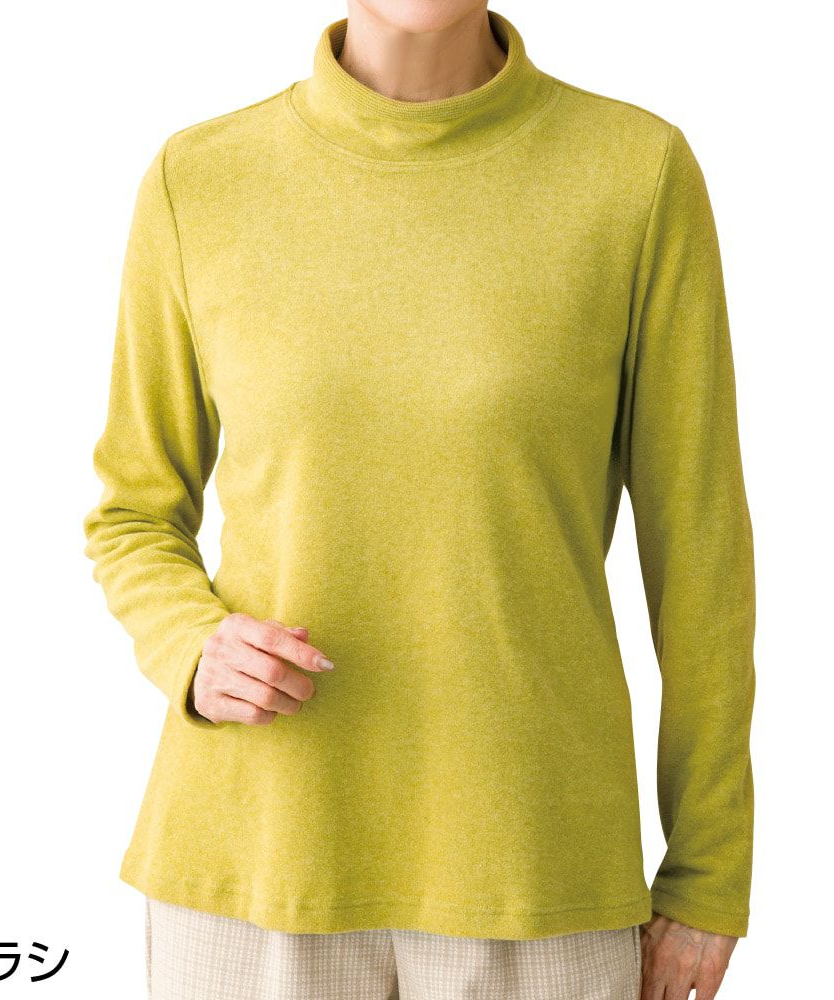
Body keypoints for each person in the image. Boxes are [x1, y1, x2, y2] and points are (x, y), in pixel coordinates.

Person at [82, 2, 756, 998]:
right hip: (254, 859)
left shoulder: (633, 172)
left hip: (535, 863)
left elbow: (699, 550)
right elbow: (133, 511)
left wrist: (708, 869)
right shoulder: (201, 177)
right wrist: (191, 644)